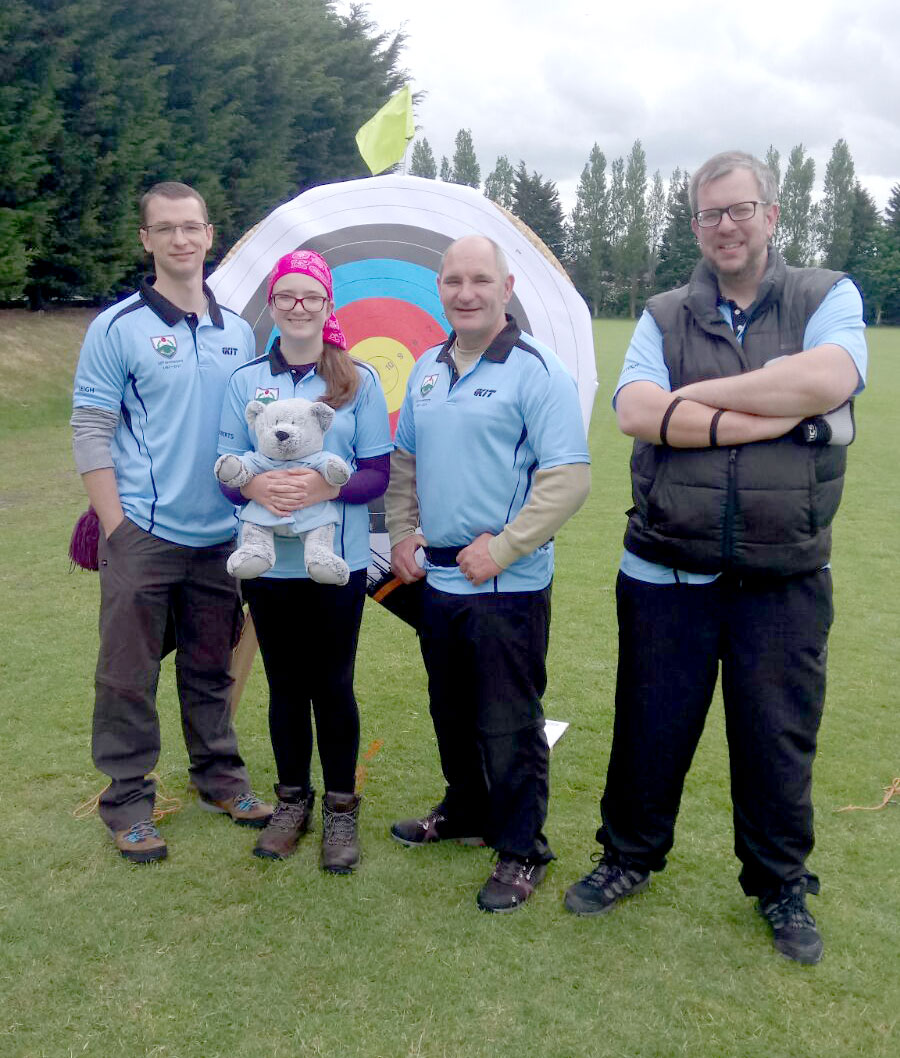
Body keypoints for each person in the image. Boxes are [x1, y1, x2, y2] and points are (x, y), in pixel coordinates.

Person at [564, 151, 867, 964]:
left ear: (772, 214)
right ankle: (628, 857)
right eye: (709, 214)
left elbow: (831, 377)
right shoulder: (664, 314)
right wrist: (779, 406)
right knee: (649, 729)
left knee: (777, 739)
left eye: (740, 210)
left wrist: (695, 398)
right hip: (666, 565)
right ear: (695, 224)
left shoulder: (825, 295)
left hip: (785, 571)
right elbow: (636, 412)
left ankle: (779, 884)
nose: (725, 226)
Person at [386, 234, 591, 912]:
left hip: (508, 586)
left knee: (509, 722)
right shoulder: (427, 368)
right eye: (454, 281)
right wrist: (402, 530)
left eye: (480, 280)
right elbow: (406, 460)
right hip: (440, 582)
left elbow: (568, 479)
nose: (466, 293)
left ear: (506, 289)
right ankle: (468, 810)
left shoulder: (538, 372)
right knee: (451, 710)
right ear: (440, 289)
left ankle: (523, 846)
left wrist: (504, 548)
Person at [72, 181, 273, 864]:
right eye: (166, 228)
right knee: (126, 676)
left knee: (210, 668)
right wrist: (116, 526)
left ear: (210, 234)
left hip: (220, 537)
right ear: (147, 240)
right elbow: (91, 430)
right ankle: (129, 803)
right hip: (144, 534)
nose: (181, 239)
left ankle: (219, 780)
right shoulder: (117, 327)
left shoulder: (238, 331)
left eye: (192, 227)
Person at [217, 250, 392, 873]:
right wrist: (256, 486)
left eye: (310, 296)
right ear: (272, 305)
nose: (298, 306)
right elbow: (227, 473)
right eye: (286, 296)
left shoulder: (358, 379)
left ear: (326, 304)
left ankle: (342, 808)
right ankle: (292, 801)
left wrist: (324, 486)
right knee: (286, 685)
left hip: (335, 561)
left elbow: (376, 473)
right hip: (268, 566)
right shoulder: (244, 382)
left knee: (333, 683)